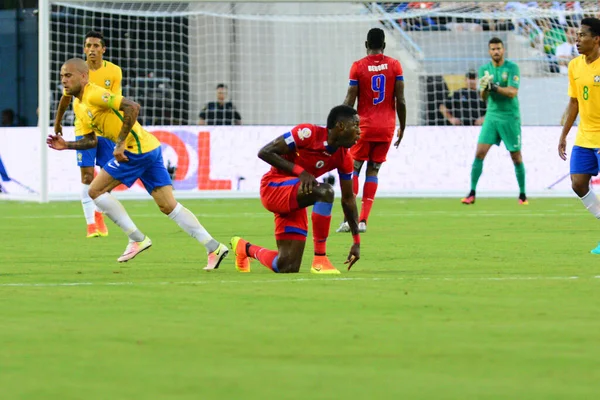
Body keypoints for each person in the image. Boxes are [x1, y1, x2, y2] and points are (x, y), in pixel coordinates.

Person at [47, 58, 229, 268]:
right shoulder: (79, 105)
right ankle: (213, 247)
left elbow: (132, 107)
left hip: (136, 150)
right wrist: (66, 144)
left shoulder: (94, 93)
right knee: (168, 206)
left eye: (68, 75)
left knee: (95, 191)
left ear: (83, 76)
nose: (64, 80)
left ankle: (136, 238)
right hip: (150, 147)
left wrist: (121, 142)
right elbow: (90, 140)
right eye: (61, 76)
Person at [229, 105, 361, 274]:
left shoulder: (344, 157)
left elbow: (348, 199)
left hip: (296, 197)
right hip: (274, 188)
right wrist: (301, 172)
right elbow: (265, 152)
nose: (359, 131)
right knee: (325, 191)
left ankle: (245, 249)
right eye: (356, 125)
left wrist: (356, 241)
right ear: (341, 126)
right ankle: (320, 259)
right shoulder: (307, 133)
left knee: (287, 266)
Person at [335, 28, 406, 234]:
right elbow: (400, 100)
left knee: (354, 169)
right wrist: (403, 126)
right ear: (383, 46)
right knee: (373, 171)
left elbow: (350, 98)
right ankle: (364, 221)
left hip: (363, 127)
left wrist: (339, 122)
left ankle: (351, 220)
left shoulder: (358, 67)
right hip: (386, 128)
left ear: (366, 45)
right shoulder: (395, 65)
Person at [54, 31, 122, 238]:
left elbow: (116, 101)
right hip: (84, 127)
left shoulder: (114, 72)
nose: (91, 49)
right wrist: (57, 122)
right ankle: (91, 224)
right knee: (86, 175)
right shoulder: (78, 71)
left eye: (95, 45)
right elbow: (66, 98)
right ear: (84, 49)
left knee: (107, 174)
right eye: (88, 45)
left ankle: (99, 213)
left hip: (105, 129)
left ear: (103, 49)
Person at [461, 37, 527, 205]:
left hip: (510, 116)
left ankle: (522, 195)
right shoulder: (485, 69)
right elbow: (483, 97)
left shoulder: (512, 68)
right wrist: (484, 88)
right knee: (479, 153)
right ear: (489, 51)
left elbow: (512, 92)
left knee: (516, 156)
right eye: (493, 49)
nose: (496, 51)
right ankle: (472, 193)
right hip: (491, 116)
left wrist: (494, 87)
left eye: (498, 48)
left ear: (503, 50)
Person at [558, 17, 600, 254]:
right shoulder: (574, 65)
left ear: (596, 39)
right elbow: (574, 102)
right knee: (578, 183)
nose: (577, 39)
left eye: (583, 35)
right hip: (584, 136)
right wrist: (564, 134)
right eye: (576, 35)